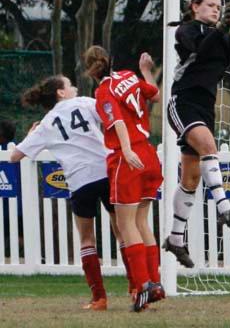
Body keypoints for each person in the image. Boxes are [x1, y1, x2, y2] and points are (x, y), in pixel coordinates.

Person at [9, 75, 130, 311]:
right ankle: (137, 289)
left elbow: (14, 156)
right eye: (69, 84)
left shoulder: (46, 123)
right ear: (60, 93)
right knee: (123, 231)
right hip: (106, 172)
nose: (74, 87)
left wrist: (31, 133)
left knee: (86, 239)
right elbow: (110, 119)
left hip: (80, 180)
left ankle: (99, 298)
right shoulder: (84, 102)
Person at [163, 0, 230, 268]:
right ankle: (224, 209)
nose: (216, 9)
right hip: (184, 103)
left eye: (219, 6)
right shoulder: (187, 30)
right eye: (211, 5)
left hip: (205, 108)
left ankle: (175, 240)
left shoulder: (221, 36)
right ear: (195, 7)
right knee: (209, 147)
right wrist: (219, 27)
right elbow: (200, 49)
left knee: (190, 178)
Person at [85, 46, 165, 312]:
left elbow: (116, 121)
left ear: (90, 70)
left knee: (125, 223)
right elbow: (156, 95)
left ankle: (142, 286)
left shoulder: (103, 91)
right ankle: (155, 283)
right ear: (111, 60)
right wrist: (146, 71)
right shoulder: (129, 76)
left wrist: (127, 150)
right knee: (142, 221)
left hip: (127, 157)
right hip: (150, 153)